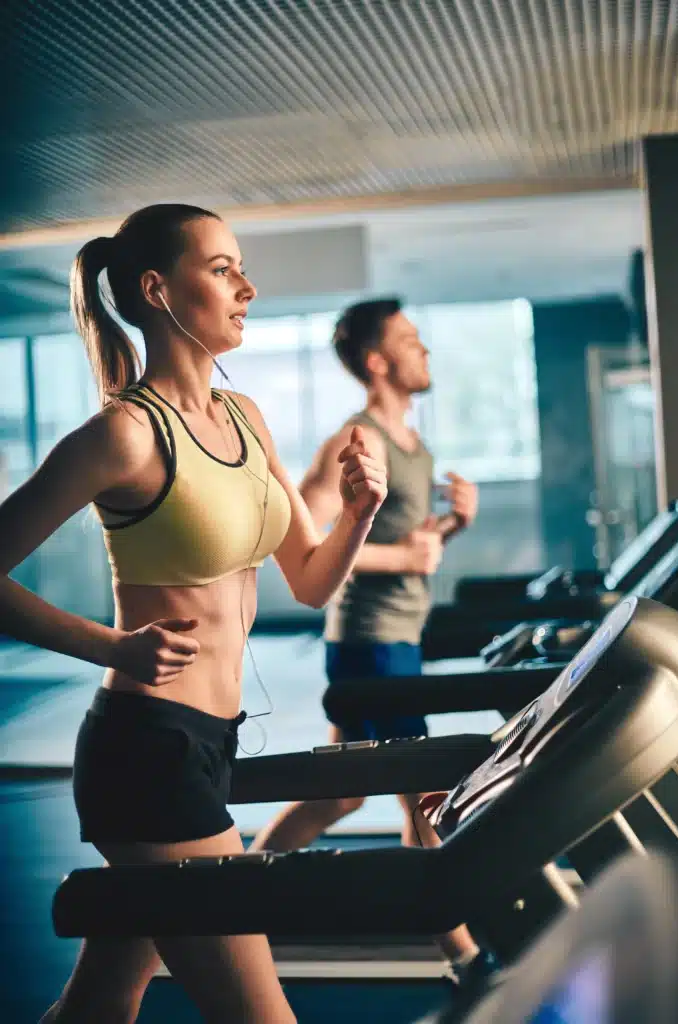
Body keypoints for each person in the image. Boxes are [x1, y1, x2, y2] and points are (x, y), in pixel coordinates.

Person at [0, 203, 388, 1024]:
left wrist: (356, 515)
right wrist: (112, 647)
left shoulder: (246, 418)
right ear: (157, 289)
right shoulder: (125, 436)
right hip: (147, 754)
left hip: (212, 742)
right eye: (221, 269)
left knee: (105, 997)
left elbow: (312, 582)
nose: (246, 286)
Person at [251, 298, 498, 994]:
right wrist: (403, 558)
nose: (425, 352)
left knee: (343, 798)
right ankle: (464, 954)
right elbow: (301, 531)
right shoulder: (354, 439)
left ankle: (242, 890)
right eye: (410, 341)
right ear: (376, 361)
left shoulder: (414, 447)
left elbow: (405, 547)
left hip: (396, 643)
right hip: (368, 645)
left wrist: (450, 527)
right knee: (420, 793)